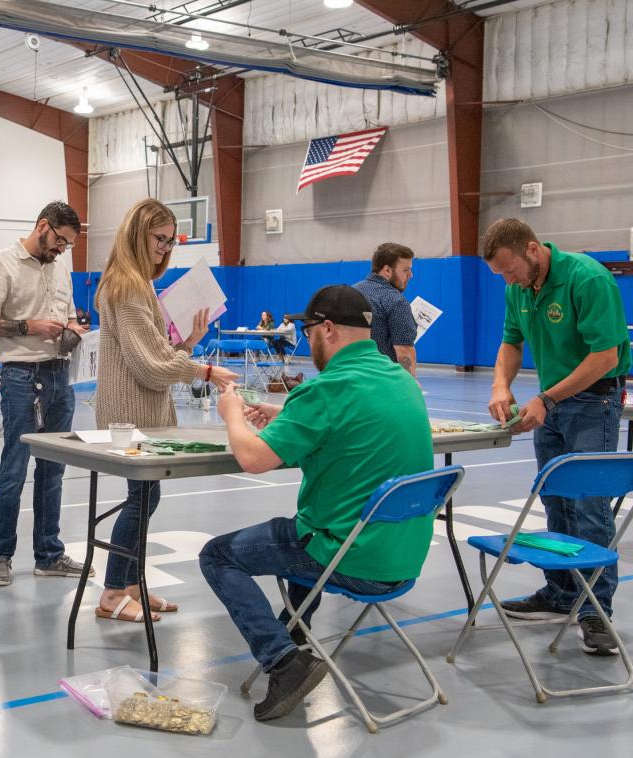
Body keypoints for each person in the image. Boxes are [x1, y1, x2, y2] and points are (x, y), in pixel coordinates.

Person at [199, 284, 433, 722]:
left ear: (327, 328)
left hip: (351, 558)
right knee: (303, 527)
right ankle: (296, 637)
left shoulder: (324, 391)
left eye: (309, 334)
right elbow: (346, 418)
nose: (308, 343)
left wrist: (233, 413)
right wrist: (285, 411)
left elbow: (252, 459)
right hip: (403, 558)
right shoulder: (403, 381)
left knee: (218, 556)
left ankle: (284, 662)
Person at [483, 218, 631, 656]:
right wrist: (500, 385)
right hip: (553, 402)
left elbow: (604, 357)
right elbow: (511, 343)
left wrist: (546, 399)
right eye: (502, 276)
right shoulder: (518, 289)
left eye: (510, 271)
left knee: (590, 507)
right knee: (556, 503)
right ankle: (561, 592)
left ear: (532, 249)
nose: (508, 281)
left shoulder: (587, 279)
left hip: (593, 402)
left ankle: (595, 609)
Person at [91, 198, 236, 622]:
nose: (165, 248)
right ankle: (113, 592)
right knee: (140, 500)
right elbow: (152, 367)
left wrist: (189, 342)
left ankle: (131, 582)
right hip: (130, 414)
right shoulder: (128, 284)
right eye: (160, 239)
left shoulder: (137, 282)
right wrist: (205, 369)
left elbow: (153, 356)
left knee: (146, 498)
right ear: (139, 234)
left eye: (171, 241)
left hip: (140, 409)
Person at [0, 201, 93, 586]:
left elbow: (69, 314)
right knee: (14, 468)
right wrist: (29, 327)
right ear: (42, 226)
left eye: (68, 245)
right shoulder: (1, 264)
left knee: (53, 469)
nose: (62, 250)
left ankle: (49, 554)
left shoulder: (61, 267)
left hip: (60, 375)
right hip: (22, 376)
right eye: (60, 241)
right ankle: (0, 555)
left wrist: (74, 329)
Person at [353, 242, 418, 377]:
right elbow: (404, 349)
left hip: (349, 376)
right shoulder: (396, 301)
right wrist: (410, 384)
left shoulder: (351, 292)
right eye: (406, 270)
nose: (410, 275)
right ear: (387, 270)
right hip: (383, 379)